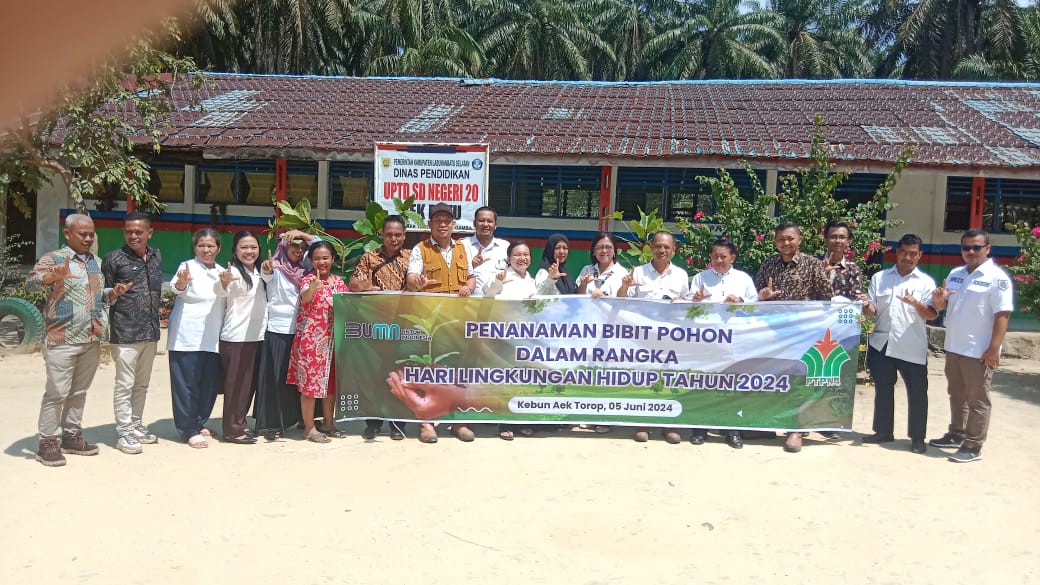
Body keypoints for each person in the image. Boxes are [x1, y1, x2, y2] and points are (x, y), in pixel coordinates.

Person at [30, 214, 131, 466]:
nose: (88, 238)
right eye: (82, 234)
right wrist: (51, 277)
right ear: (68, 234)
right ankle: (47, 442)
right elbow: (31, 284)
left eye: (91, 234)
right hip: (61, 337)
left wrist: (112, 293)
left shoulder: (96, 262)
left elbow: (95, 296)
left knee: (79, 391)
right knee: (57, 393)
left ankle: (71, 435)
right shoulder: (54, 259)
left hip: (90, 337)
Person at [929, 229, 1014, 463]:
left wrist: (993, 349)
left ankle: (974, 445)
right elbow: (943, 306)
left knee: (977, 399)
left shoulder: (997, 278)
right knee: (956, 394)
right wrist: (938, 300)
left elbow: (1002, 315)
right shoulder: (955, 274)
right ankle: (957, 433)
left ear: (987, 249)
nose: (971, 251)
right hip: (954, 346)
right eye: (966, 247)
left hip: (979, 351)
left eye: (976, 247)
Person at [755, 221, 833, 453]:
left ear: (799, 240)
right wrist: (763, 295)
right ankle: (768, 426)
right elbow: (755, 296)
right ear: (775, 242)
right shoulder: (768, 263)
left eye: (790, 238)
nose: (786, 243)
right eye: (781, 239)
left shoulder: (812, 264)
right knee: (774, 379)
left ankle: (796, 430)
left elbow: (826, 298)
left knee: (799, 381)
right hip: (774, 333)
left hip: (803, 334)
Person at [406, 202, 477, 443]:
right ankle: (426, 423)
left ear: (454, 224)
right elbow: (411, 278)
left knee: (458, 370)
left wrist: (469, 287)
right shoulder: (420, 249)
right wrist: (417, 282)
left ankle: (458, 422)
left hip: (458, 319)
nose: (443, 224)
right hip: (431, 320)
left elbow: (471, 277)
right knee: (429, 369)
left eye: (447, 220)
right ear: (430, 224)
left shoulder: (463, 248)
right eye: (438, 221)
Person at [862, 234, 937, 454]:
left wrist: (915, 303)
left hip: (911, 344)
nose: (907, 257)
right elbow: (873, 310)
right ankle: (883, 431)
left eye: (913, 253)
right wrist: (865, 306)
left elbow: (931, 314)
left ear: (920, 255)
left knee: (917, 392)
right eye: (904, 252)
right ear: (897, 252)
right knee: (883, 389)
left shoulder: (925, 282)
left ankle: (917, 438)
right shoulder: (880, 278)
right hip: (882, 342)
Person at [617, 231, 689, 444]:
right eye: (658, 246)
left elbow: (688, 306)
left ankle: (669, 424)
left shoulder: (681, 275)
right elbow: (621, 301)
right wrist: (625, 286)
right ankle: (643, 423)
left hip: (671, 338)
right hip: (643, 338)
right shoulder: (638, 273)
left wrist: (681, 301)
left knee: (670, 378)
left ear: (674, 250)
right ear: (650, 248)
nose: (662, 250)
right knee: (644, 378)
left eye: (667, 247)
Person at [688, 239, 759, 449]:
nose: (719, 260)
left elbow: (756, 306)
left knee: (731, 386)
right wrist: (695, 300)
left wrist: (741, 302)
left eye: (723, 256)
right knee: (703, 384)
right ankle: (700, 429)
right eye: (715, 256)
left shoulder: (743, 278)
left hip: (734, 340)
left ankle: (731, 430)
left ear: (732, 258)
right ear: (710, 257)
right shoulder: (700, 278)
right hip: (706, 339)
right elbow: (688, 308)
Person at [101, 211, 162, 455]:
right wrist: (113, 293)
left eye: (138, 232)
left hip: (151, 331)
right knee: (124, 385)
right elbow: (103, 296)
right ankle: (124, 432)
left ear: (150, 232)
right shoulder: (113, 259)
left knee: (142, 384)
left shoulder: (156, 256)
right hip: (125, 332)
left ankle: (136, 425)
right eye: (129, 232)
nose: (133, 236)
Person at [350, 215, 411, 441]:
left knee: (399, 374)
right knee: (374, 374)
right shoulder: (369, 258)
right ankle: (373, 423)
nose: (393, 239)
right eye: (389, 235)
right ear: (381, 235)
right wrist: (363, 286)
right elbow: (353, 284)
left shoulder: (412, 257)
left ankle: (397, 424)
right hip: (375, 326)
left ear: (404, 236)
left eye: (398, 235)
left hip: (403, 326)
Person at [254, 229, 318, 440]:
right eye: (293, 246)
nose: (298, 251)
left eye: (302, 248)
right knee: (276, 379)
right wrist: (267, 268)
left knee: (298, 381)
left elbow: (320, 244)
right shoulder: (276, 267)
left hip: (302, 331)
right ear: (284, 247)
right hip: (279, 330)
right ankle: (271, 424)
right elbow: (266, 273)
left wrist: (301, 234)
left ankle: (296, 419)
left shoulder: (306, 271)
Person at [168, 228, 227, 449]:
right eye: (201, 245)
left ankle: (199, 421)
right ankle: (188, 429)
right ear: (195, 247)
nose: (206, 249)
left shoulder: (223, 272)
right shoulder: (186, 267)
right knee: (186, 385)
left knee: (208, 384)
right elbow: (177, 288)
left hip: (213, 337)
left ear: (218, 248)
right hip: (186, 336)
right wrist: (182, 283)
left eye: (211, 245)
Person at [288, 240, 350, 443]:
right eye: (316, 258)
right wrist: (313, 288)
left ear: (333, 259)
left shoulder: (339, 282)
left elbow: (350, 306)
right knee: (310, 386)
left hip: (333, 342)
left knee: (329, 386)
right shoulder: (308, 280)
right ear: (311, 261)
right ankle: (309, 428)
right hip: (311, 343)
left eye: (325, 258)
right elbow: (306, 298)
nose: (321, 262)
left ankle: (329, 423)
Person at [216, 230, 267, 445]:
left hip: (257, 336)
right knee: (235, 385)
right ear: (235, 250)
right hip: (236, 337)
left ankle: (240, 422)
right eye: (244, 247)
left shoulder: (260, 271)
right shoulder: (232, 272)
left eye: (253, 247)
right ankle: (232, 430)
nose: (249, 251)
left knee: (248, 385)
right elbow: (221, 291)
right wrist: (224, 282)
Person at [462, 206, 510, 298]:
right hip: (470, 302)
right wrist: (471, 265)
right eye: (481, 220)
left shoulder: (505, 246)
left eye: (489, 221)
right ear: (474, 223)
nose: (485, 224)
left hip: (498, 302)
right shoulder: (463, 245)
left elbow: (513, 273)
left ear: (495, 225)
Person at [819, 220, 866, 300]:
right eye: (833, 237)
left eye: (842, 237)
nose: (838, 240)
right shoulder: (813, 263)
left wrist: (862, 300)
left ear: (848, 241)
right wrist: (820, 273)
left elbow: (856, 297)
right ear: (825, 240)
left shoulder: (853, 268)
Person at [576, 232, 628, 298]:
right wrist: (583, 285)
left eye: (608, 247)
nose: (604, 251)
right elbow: (578, 298)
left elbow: (624, 301)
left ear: (614, 251)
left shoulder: (622, 273)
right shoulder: (586, 270)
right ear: (594, 251)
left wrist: (604, 297)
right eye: (599, 247)